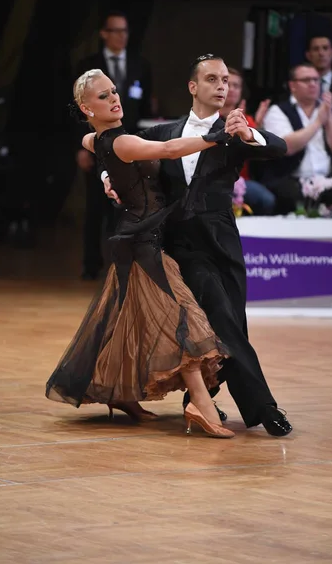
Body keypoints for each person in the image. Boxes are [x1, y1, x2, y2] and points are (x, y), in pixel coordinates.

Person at [101, 54, 293, 437]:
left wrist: (248, 133)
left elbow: (279, 148)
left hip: (222, 241)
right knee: (220, 317)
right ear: (193, 87)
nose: (222, 86)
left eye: (226, 80)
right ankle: (263, 407)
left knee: (230, 324)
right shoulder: (164, 132)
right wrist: (109, 177)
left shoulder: (234, 132)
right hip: (180, 242)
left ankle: (199, 399)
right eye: (212, 79)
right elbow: (117, 153)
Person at [46, 68, 240, 439]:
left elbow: (93, 146)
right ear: (87, 107)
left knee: (127, 320)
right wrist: (218, 136)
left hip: (136, 239)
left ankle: (121, 395)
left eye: (115, 91)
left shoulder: (98, 139)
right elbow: (168, 149)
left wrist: (106, 178)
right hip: (141, 245)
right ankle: (202, 404)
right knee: (183, 317)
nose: (115, 98)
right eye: (104, 96)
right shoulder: (121, 142)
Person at [74, 10, 154, 280]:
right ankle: (90, 264)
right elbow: (78, 116)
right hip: (100, 143)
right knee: (95, 207)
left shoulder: (140, 64)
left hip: (128, 144)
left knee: (122, 208)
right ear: (104, 34)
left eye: (125, 31)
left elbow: (145, 107)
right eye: (116, 31)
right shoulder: (87, 66)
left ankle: (118, 264)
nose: (122, 36)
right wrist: (84, 147)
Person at [261, 62, 332, 214]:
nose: (312, 84)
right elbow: (286, 146)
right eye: (306, 80)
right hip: (290, 179)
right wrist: (318, 122)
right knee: (290, 196)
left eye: (316, 80)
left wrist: (329, 117)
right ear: (292, 86)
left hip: (327, 179)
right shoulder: (278, 111)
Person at [220, 66, 275, 215]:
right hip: (213, 179)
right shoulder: (207, 116)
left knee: (267, 200)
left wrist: (257, 127)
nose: (231, 89)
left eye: (236, 86)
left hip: (241, 181)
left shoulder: (248, 120)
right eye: (227, 84)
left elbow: (258, 155)